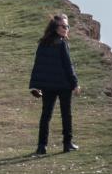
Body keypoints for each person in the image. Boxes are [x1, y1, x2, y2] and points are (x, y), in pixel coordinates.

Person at [28, 14, 81, 154]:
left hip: (48, 87)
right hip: (63, 86)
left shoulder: (43, 43)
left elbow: (37, 66)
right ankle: (67, 144)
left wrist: (34, 86)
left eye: (67, 26)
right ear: (55, 27)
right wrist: (75, 84)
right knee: (66, 114)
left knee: (46, 115)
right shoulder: (62, 43)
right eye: (63, 26)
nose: (66, 29)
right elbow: (68, 65)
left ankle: (41, 147)